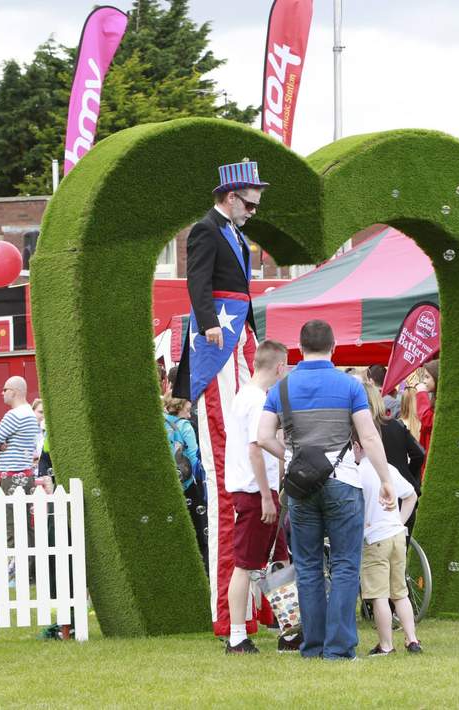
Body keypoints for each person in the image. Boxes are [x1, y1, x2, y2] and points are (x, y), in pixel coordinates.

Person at [258, 320, 396, 661]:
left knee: (307, 566)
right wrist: (386, 480)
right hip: (344, 483)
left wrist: (291, 456)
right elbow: (367, 436)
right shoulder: (350, 385)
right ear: (333, 347)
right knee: (347, 565)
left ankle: (313, 645)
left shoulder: (283, 389)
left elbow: (262, 436)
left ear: (299, 349)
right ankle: (339, 647)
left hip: (301, 487)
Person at [172, 159, 268, 637]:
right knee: (228, 479)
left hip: (238, 343)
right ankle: (230, 612)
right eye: (249, 202)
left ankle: (258, 605)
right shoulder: (206, 230)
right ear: (230, 196)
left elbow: (245, 293)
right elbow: (197, 281)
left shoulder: (233, 232)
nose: (254, 210)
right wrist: (209, 322)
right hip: (219, 345)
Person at [224, 340, 290, 654]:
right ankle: (237, 636)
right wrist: (266, 495)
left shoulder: (244, 396)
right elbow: (256, 448)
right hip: (254, 492)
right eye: (286, 366)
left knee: (278, 560)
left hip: (255, 489)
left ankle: (290, 629)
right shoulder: (257, 400)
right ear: (279, 367)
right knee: (246, 564)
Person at [354, 437, 420, 655]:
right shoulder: (387, 469)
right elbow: (411, 495)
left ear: (356, 447)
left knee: (379, 595)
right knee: (400, 592)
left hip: (374, 538)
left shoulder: (358, 473)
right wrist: (398, 522)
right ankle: (412, 640)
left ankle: (386, 644)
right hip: (397, 536)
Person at [0, 376, 40, 553]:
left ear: (15, 392)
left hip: (11, 477)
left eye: (5, 389)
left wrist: (1, 445)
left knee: (11, 524)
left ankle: (15, 571)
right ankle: (31, 568)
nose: (1, 393)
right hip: (27, 476)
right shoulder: (31, 415)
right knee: (27, 524)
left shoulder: (13, 415)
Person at [365, 383, 423, 535]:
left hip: (379, 497)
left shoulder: (364, 430)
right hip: (404, 494)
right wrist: (407, 474)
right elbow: (419, 454)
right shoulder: (396, 425)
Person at [163, 393, 208, 571]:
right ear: (179, 407)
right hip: (188, 485)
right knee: (199, 530)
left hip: (169, 483)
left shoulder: (161, 422)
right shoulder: (185, 427)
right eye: (188, 410)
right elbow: (194, 459)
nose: (190, 415)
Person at [415, 360, 438, 478]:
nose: (424, 381)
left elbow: (427, 419)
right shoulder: (436, 399)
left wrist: (421, 394)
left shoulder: (441, 402)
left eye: (427, 377)